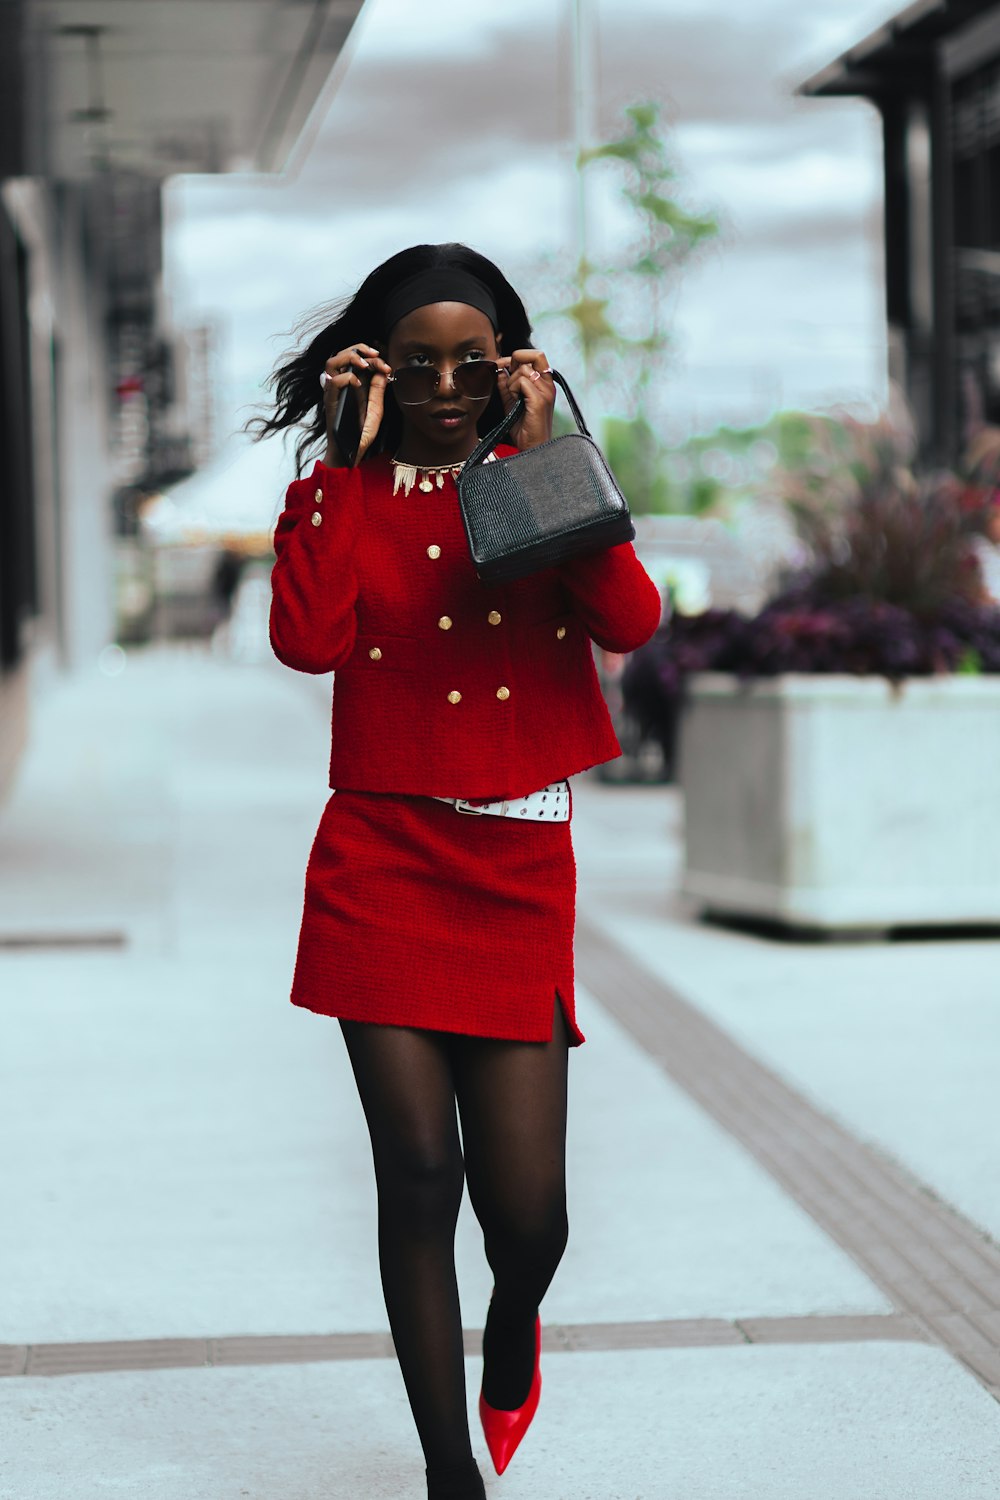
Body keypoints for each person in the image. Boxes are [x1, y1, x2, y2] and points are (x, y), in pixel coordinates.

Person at [259, 243, 661, 1500]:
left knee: (528, 1219)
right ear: (374, 373)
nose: (444, 384)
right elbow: (307, 640)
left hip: (514, 861)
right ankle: (448, 1473)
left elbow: (631, 621)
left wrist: (548, 463)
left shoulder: (533, 479)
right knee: (418, 1174)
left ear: (508, 367)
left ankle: (515, 1319)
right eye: (416, 361)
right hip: (382, 858)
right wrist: (335, 455)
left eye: (468, 360)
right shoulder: (344, 492)